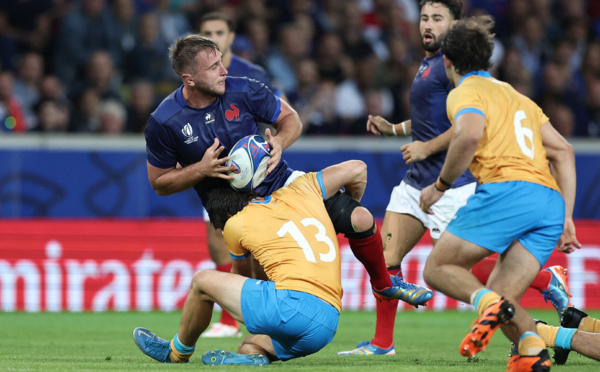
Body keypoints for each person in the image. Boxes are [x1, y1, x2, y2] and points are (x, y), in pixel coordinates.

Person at [339, 0, 574, 357]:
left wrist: (425, 150)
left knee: (462, 269)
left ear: (455, 26)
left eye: (437, 18)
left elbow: (466, 128)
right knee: (387, 259)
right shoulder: (429, 64)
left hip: (451, 185)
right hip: (416, 183)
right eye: (424, 18)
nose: (427, 25)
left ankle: (546, 283)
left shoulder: (461, 76)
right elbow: (432, 118)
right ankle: (382, 343)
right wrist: (394, 129)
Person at [144, 35, 406, 339]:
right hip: (238, 207)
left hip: (285, 185)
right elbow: (160, 183)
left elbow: (291, 119)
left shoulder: (244, 88)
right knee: (262, 275)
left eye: (221, 62)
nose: (224, 70)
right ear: (188, 78)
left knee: (361, 219)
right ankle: (267, 336)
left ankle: (383, 283)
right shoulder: (164, 122)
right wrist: (200, 169)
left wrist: (280, 142)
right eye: (213, 67)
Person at [419, 16, 580, 370]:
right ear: (487, 60)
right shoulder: (516, 95)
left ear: (446, 60)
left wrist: (439, 186)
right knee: (505, 299)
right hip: (549, 203)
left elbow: (469, 134)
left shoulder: (465, 92)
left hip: (508, 191)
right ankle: (532, 355)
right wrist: (567, 215)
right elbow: (564, 151)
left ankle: (488, 305)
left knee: (438, 267)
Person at [132, 160, 367, 365]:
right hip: (326, 324)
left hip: (292, 307)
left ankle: (176, 353)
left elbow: (241, 280)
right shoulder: (301, 189)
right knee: (250, 345)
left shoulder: (237, 223)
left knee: (202, 282)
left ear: (226, 218)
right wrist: (353, 203)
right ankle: (251, 360)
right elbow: (358, 168)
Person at [195, 11, 287, 337]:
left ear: (231, 36)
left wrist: (272, 142)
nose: (214, 37)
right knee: (217, 240)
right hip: (215, 169)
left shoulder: (251, 74)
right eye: (207, 32)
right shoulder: (198, 77)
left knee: (256, 247)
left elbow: (281, 109)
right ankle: (229, 319)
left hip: (252, 172)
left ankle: (264, 314)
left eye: (220, 31)